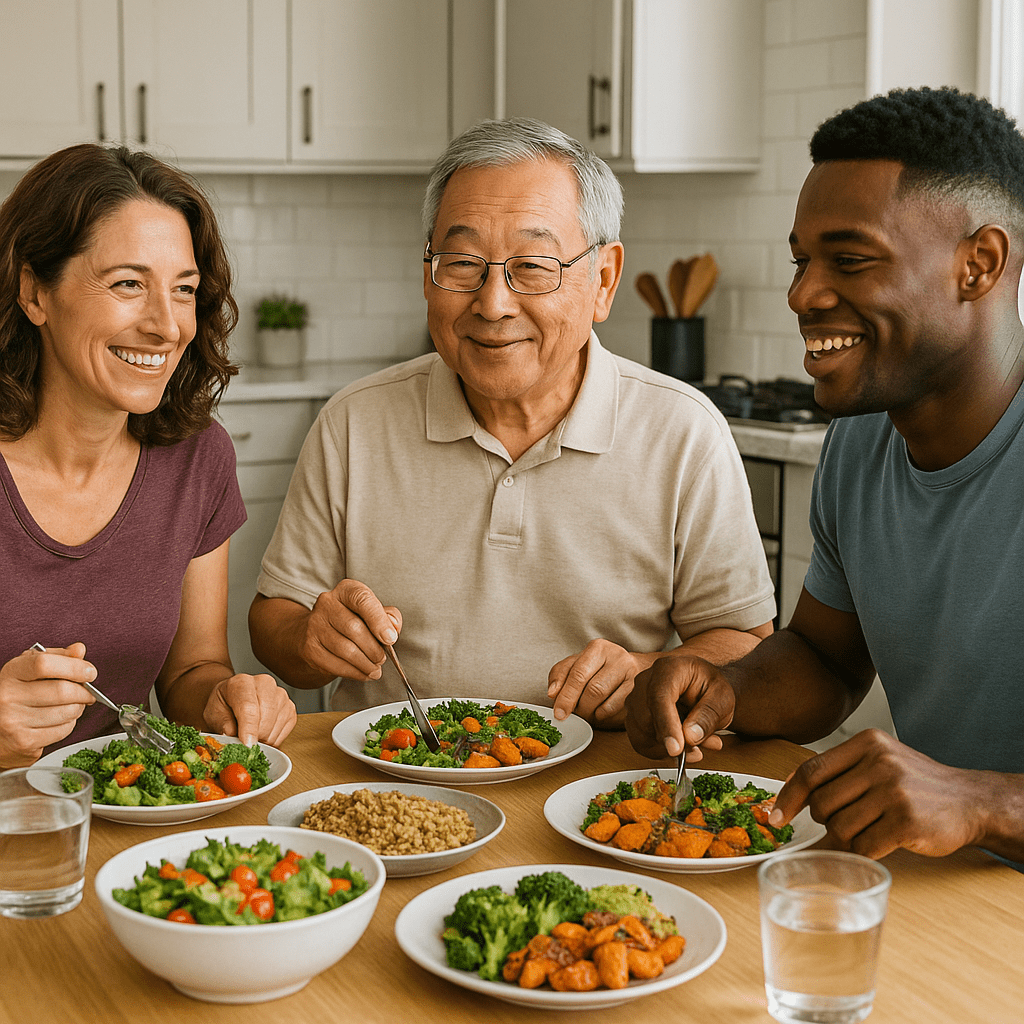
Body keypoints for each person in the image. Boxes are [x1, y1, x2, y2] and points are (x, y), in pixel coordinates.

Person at [249, 118, 775, 726]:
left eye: (532, 266)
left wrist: (650, 672)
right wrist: (312, 638)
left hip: (596, 789)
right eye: (462, 263)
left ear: (602, 280)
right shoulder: (353, 422)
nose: (493, 303)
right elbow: (274, 620)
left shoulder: (684, 433)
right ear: (427, 274)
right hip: (392, 785)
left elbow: (746, 646)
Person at [625, 87, 1024, 868]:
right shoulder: (861, 440)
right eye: (802, 260)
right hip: (940, 894)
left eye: (849, 260)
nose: (802, 294)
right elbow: (827, 658)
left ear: (978, 265)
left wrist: (983, 801)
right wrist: (726, 687)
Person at [0, 143, 296, 769]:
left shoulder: (195, 459)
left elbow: (192, 669)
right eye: (129, 284)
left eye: (184, 290)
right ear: (34, 292)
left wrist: (226, 698)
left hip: (117, 825)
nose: (167, 326)